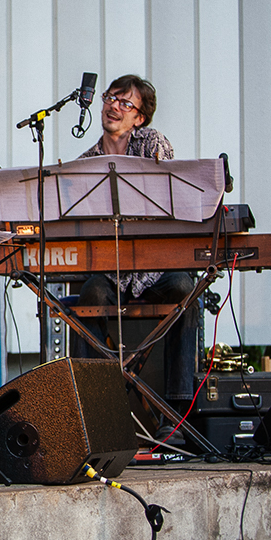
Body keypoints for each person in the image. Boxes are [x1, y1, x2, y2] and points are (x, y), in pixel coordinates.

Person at [71, 74, 199, 441]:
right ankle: (93, 410)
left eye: (125, 103)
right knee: (90, 296)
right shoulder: (87, 161)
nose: (114, 106)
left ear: (139, 117)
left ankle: (177, 412)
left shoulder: (152, 143)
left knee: (185, 290)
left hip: (154, 270)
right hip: (112, 271)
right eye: (111, 98)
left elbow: (168, 195)